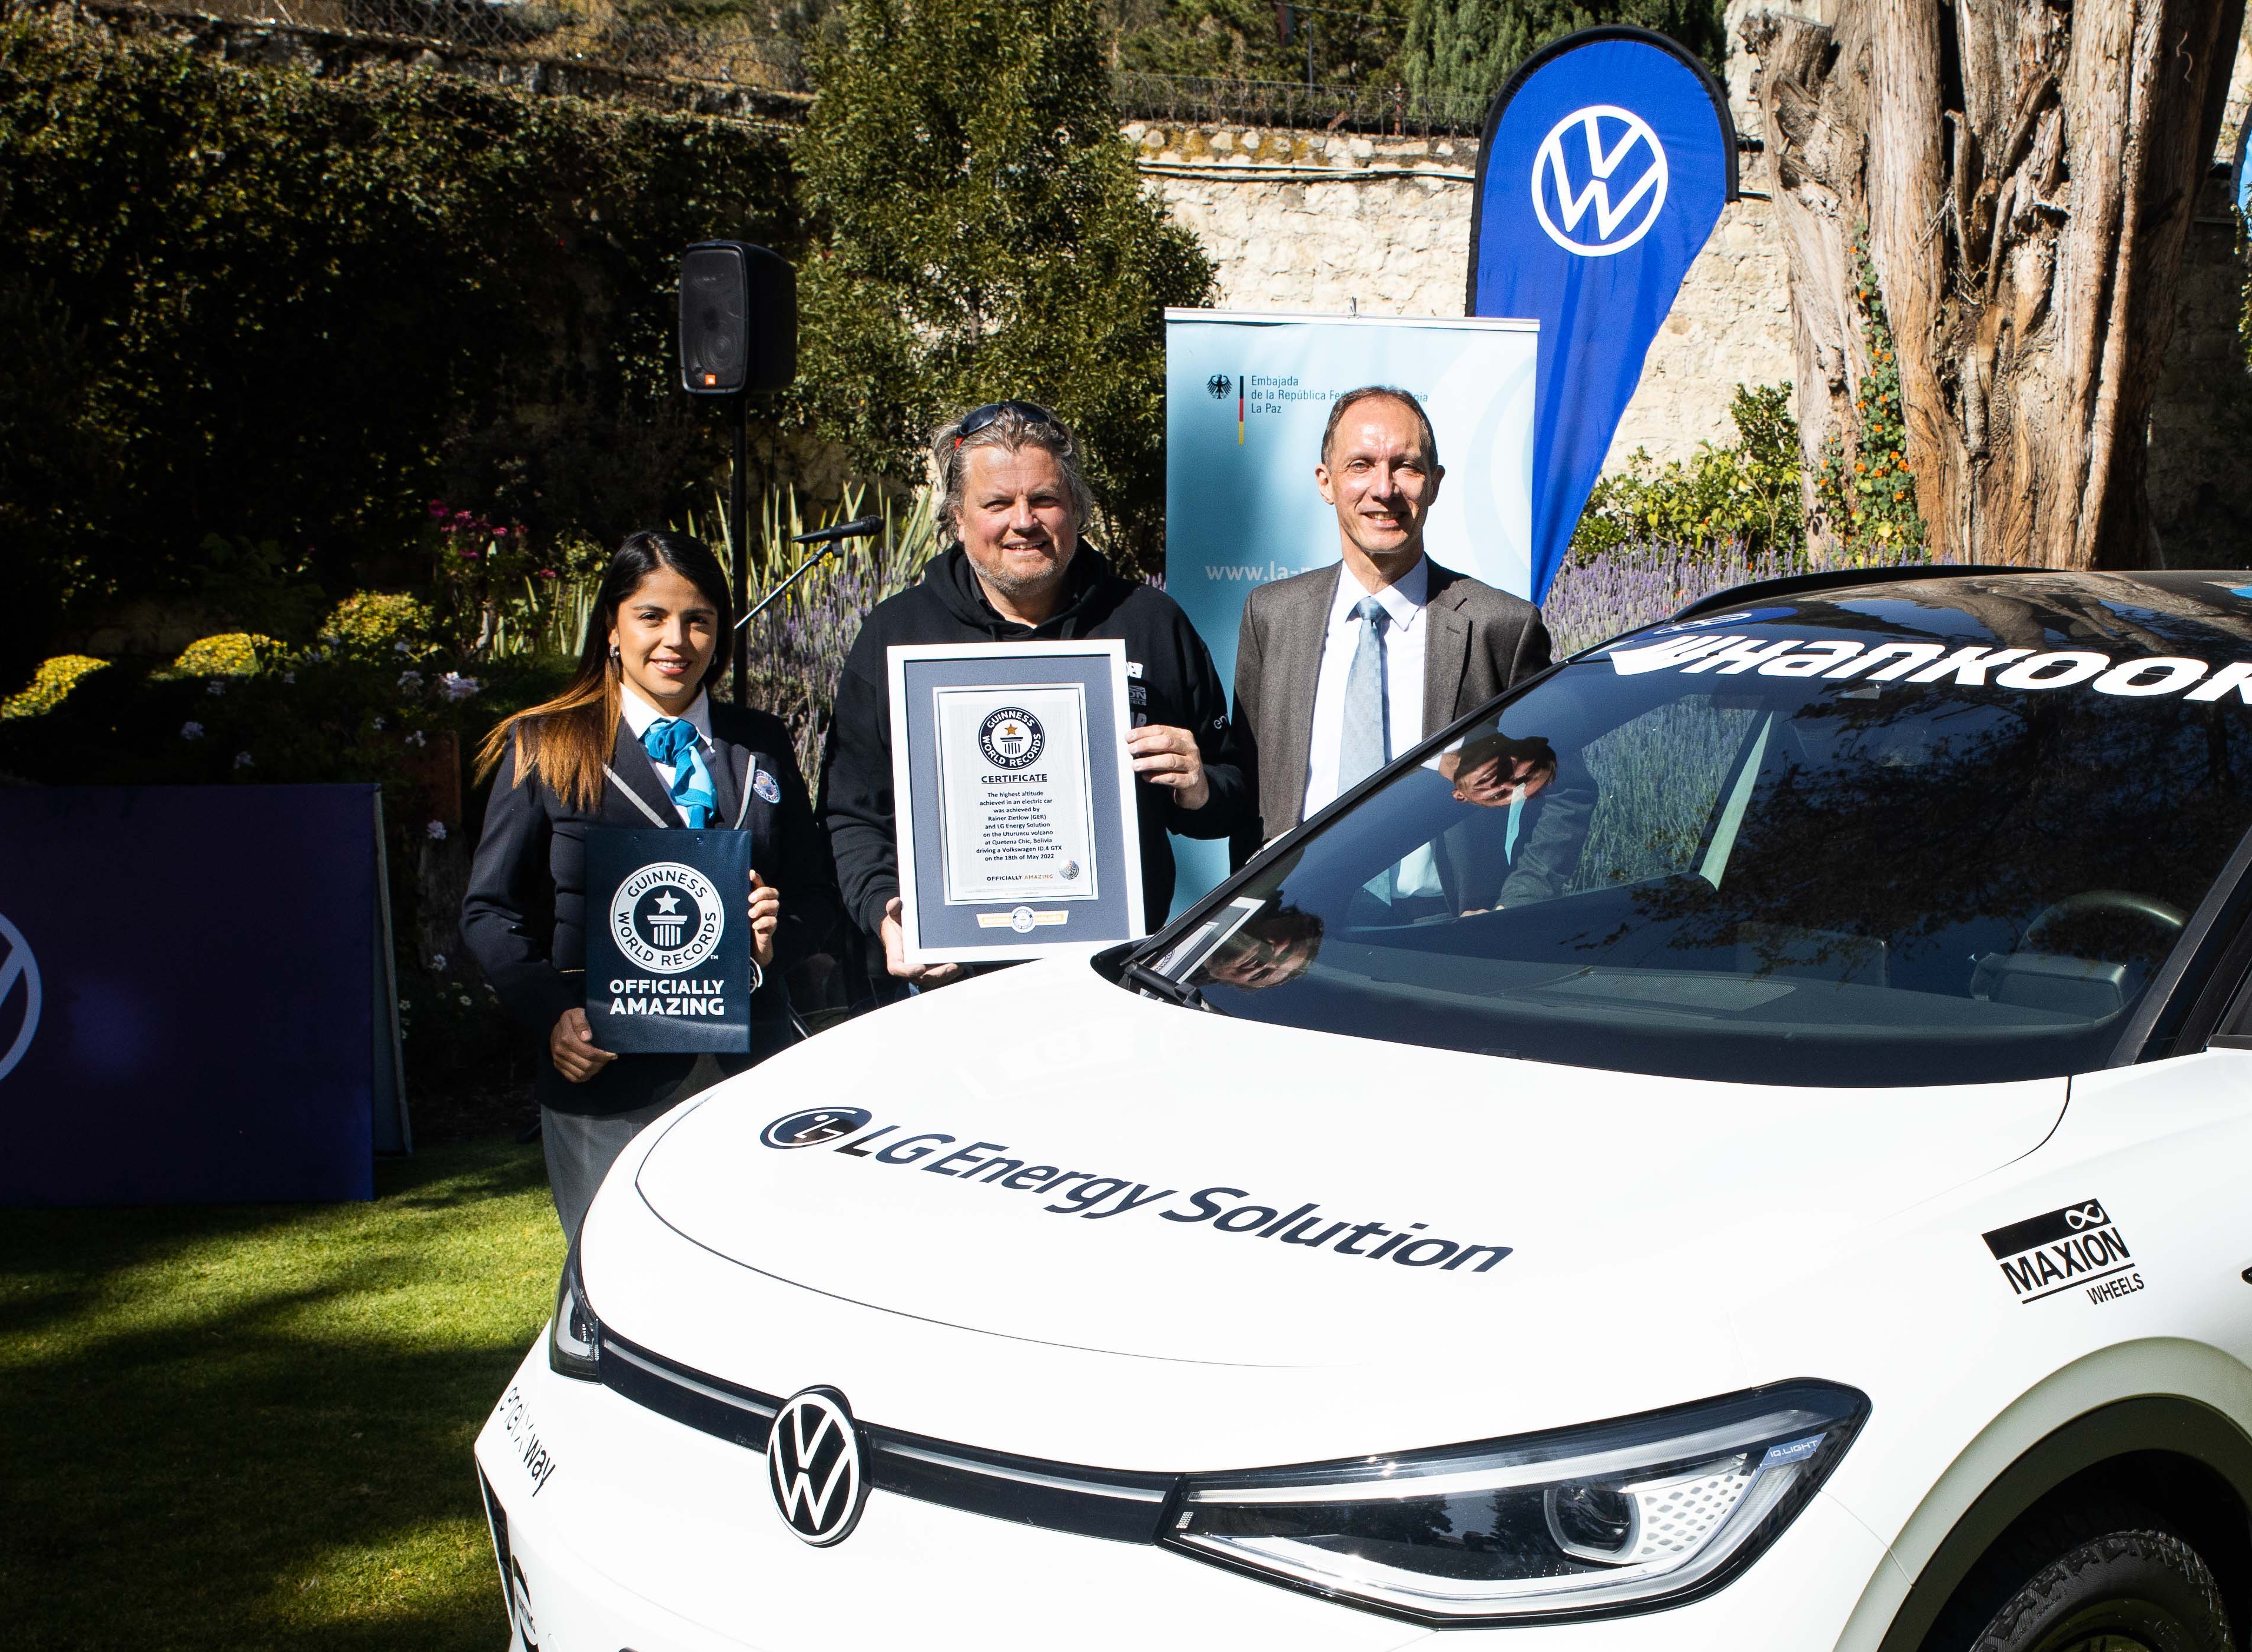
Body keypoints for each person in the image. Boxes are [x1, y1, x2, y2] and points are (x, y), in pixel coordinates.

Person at [465, 529, 836, 1250]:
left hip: (750, 1075)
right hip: (605, 1075)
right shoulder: (548, 742)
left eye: (698, 619)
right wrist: (554, 1015)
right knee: (621, 1277)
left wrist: (775, 936)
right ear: (611, 625)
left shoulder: (759, 742)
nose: (678, 639)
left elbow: (818, 893)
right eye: (652, 616)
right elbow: (489, 911)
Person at [817, 400, 1252, 983]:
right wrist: (885, 910)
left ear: (1076, 509)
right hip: (951, 980)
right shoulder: (897, 634)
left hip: (1111, 976)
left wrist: (1198, 786)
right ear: (956, 517)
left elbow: (1230, 794)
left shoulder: (1150, 621)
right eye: (997, 503)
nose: (1024, 520)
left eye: (1044, 499)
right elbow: (852, 813)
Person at [1233, 385, 1555, 848]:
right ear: (1326, 482)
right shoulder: (1272, 616)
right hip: (1294, 911)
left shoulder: (1500, 627)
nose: (1384, 489)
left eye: (1406, 466)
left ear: (1436, 483)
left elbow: (1563, 787)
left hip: (1442, 915)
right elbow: (1247, 784)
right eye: (1360, 465)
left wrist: (1511, 902)